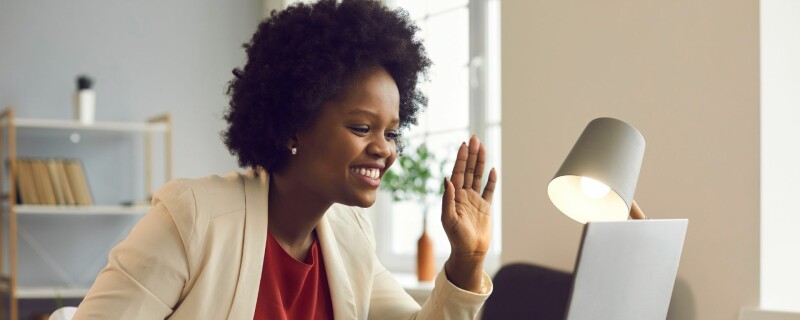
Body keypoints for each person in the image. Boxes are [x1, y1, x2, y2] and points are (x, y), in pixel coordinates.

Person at [72, 0, 497, 319]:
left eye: (391, 133)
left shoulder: (350, 235)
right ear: (294, 125)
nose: (384, 149)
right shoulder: (193, 218)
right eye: (361, 127)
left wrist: (469, 258)